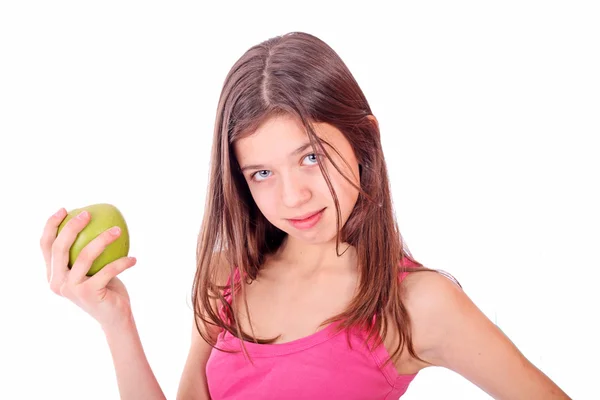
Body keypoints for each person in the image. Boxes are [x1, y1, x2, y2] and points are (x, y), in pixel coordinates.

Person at [40, 32, 571, 399]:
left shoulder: (415, 303)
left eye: (311, 157)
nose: (293, 196)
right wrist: (117, 322)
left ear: (365, 140)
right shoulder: (228, 274)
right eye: (262, 173)